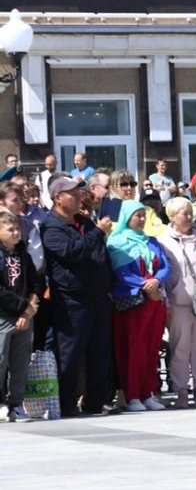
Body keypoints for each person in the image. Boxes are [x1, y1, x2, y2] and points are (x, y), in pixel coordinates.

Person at [40, 175, 114, 416]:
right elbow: (72, 252)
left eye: (79, 191)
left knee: (100, 353)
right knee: (70, 355)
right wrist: (98, 233)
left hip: (98, 298)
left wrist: (108, 285)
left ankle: (96, 401)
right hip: (73, 301)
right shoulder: (51, 226)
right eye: (72, 192)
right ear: (58, 198)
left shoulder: (85, 222)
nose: (79, 195)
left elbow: (102, 256)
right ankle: (66, 403)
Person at [106, 199, 171, 412]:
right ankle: (132, 395)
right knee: (133, 350)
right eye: (137, 215)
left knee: (152, 348)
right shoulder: (117, 242)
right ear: (127, 217)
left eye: (144, 215)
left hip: (154, 303)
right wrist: (148, 286)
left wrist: (157, 282)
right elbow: (122, 274)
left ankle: (148, 393)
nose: (142, 219)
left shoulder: (152, 241)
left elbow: (164, 265)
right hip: (133, 304)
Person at [158, 196, 196, 408]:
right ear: (172, 217)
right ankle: (181, 390)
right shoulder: (164, 240)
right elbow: (163, 273)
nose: (190, 217)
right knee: (180, 348)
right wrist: (166, 301)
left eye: (190, 212)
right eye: (184, 213)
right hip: (179, 303)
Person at [0, 211, 41, 421]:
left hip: (25, 316)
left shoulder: (23, 256)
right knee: (1, 360)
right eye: (10, 229)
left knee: (20, 361)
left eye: (17, 229)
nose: (16, 233)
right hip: (4, 317)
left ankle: (16, 403)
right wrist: (23, 307)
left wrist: (30, 307)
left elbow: (35, 282)